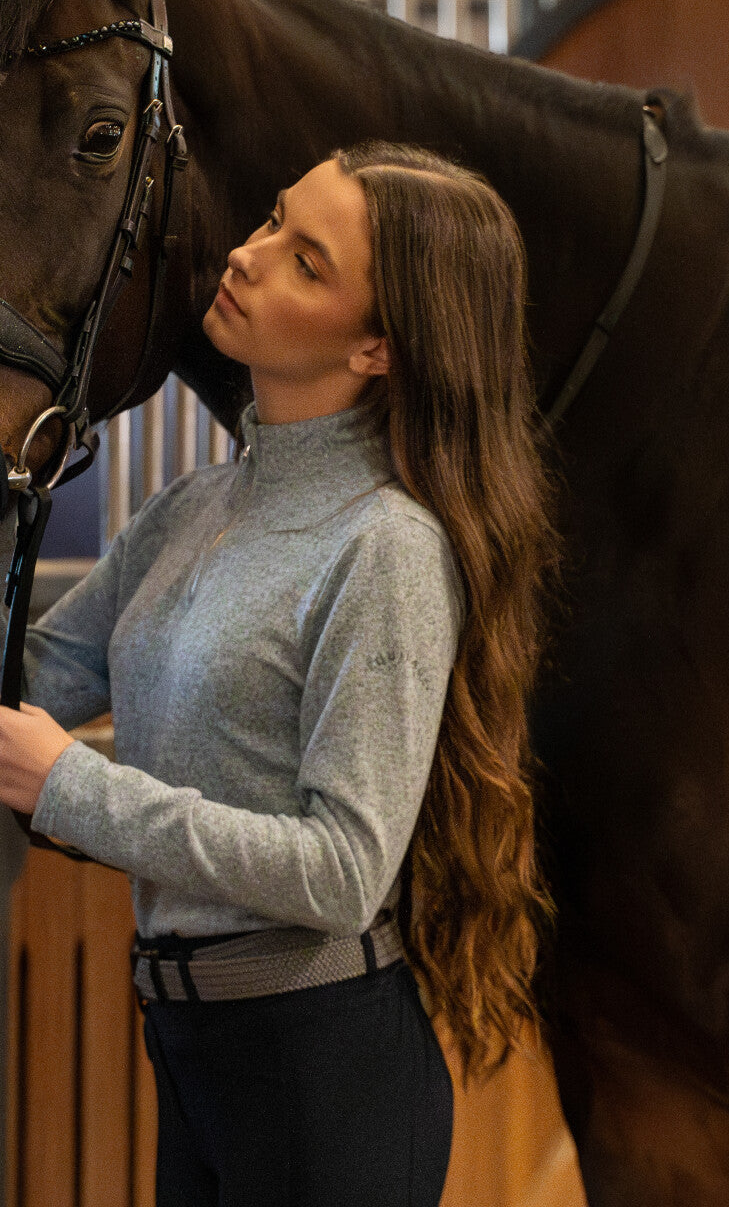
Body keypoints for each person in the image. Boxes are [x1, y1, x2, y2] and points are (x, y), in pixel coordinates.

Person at [0, 141, 558, 1207]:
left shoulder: (385, 548)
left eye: (307, 263)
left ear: (378, 350)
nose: (248, 258)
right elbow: (24, 680)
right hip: (190, 1045)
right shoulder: (190, 509)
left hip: (321, 1069)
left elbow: (343, 869)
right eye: (269, 222)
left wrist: (72, 787)